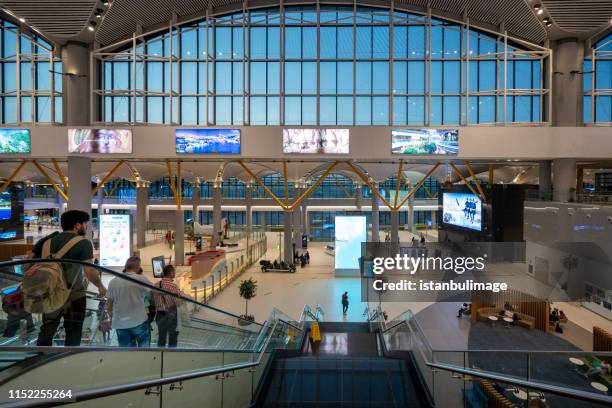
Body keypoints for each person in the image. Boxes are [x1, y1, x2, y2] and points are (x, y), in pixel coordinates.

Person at [32, 210, 106, 346]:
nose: (86, 227)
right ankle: (69, 360)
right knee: (74, 330)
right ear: (77, 225)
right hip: (74, 295)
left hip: (49, 293)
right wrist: (100, 286)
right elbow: (89, 270)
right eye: (85, 224)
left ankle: (41, 357)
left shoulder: (47, 242)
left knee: (47, 329)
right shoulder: (83, 243)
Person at [106, 257, 151, 347]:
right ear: (138, 267)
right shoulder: (141, 279)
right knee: (145, 351)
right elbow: (154, 291)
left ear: (125, 267)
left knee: (126, 353)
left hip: (120, 323)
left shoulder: (113, 281)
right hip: (139, 321)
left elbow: (109, 304)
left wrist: (111, 317)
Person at [153, 265, 181, 347]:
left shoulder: (156, 285)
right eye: (174, 272)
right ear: (171, 273)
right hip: (171, 314)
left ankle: (161, 355)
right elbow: (178, 302)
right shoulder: (173, 286)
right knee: (173, 337)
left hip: (160, 314)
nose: (174, 274)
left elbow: (153, 300)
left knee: (161, 337)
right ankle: (171, 356)